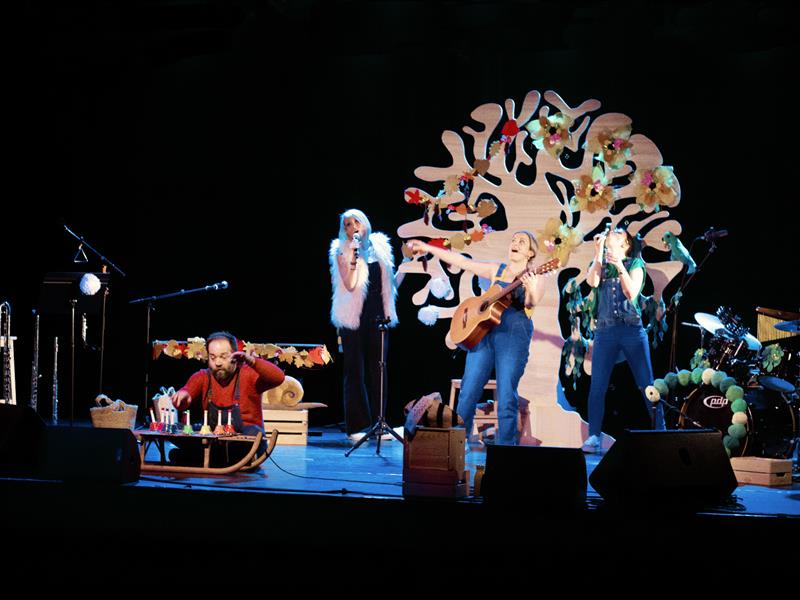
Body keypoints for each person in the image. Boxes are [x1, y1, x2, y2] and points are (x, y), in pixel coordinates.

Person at [408, 232, 544, 446]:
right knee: (468, 392)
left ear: (530, 253)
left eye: (522, 242)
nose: (515, 243)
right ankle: (457, 449)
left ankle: (506, 451)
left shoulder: (534, 275)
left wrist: (532, 286)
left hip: (513, 333)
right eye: (514, 239)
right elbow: (462, 262)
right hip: (483, 332)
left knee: (507, 395)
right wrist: (428, 248)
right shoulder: (496, 270)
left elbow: (530, 304)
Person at [581, 226, 663, 453]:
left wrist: (618, 265)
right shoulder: (600, 264)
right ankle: (593, 437)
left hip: (631, 330)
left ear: (625, 244)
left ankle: (662, 432)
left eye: (617, 233)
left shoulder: (635, 264)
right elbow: (593, 282)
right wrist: (598, 254)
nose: (610, 236)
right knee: (597, 386)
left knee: (647, 384)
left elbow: (631, 293)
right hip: (605, 331)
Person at [329, 209, 405, 441]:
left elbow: (390, 286)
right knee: (354, 370)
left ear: (365, 223)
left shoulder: (380, 246)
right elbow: (351, 284)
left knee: (379, 368)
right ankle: (357, 426)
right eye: (347, 224)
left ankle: (380, 424)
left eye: (356, 222)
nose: (353, 227)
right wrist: (353, 253)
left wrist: (407, 263)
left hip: (377, 313)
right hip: (352, 315)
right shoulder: (341, 250)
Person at [170, 331, 285, 462]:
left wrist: (252, 361)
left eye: (223, 357)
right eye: (213, 358)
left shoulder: (248, 374)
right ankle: (208, 459)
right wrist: (183, 396)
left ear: (235, 356)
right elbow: (186, 394)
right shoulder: (203, 376)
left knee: (253, 433)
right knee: (178, 429)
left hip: (245, 444)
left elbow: (279, 378)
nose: (218, 363)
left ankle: (196, 459)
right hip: (215, 441)